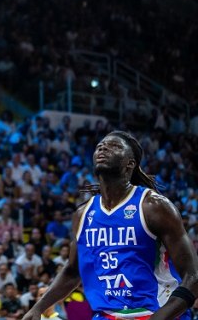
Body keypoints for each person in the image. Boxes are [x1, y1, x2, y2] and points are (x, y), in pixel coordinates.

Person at [24, 131, 198, 320]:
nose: (103, 147)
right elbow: (73, 271)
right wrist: (38, 308)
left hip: (158, 312)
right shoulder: (83, 214)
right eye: (100, 146)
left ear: (130, 163)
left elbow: (193, 276)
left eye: (114, 146)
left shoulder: (154, 207)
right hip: (107, 315)